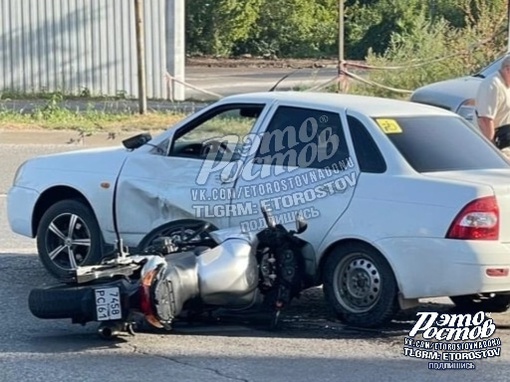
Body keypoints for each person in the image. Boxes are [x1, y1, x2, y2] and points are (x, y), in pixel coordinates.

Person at [475, 55, 510, 149]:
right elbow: (485, 120)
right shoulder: (492, 84)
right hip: (496, 141)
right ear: (507, 70)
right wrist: (491, 148)